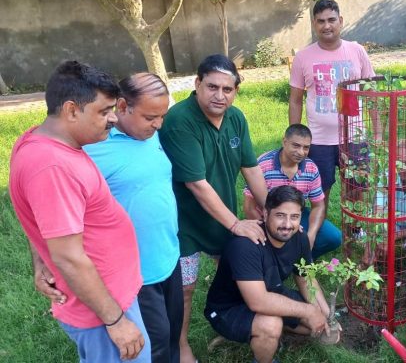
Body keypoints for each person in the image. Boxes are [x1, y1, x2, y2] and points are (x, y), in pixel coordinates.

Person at [8, 61, 149, 362]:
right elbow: (69, 256)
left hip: (108, 297)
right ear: (71, 110)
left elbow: (38, 218)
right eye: (104, 111)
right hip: (101, 312)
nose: (113, 119)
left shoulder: (45, 141)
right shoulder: (52, 166)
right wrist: (116, 321)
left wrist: (40, 261)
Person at [159, 54, 268, 363]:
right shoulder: (180, 121)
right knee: (186, 288)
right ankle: (180, 346)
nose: (220, 96)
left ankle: (232, 323)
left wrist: (271, 210)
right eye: (212, 87)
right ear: (197, 84)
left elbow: (251, 168)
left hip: (223, 216)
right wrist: (236, 225)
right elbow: (197, 184)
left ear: (235, 91)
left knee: (236, 273)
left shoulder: (236, 118)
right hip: (186, 225)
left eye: (228, 89)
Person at [84, 73, 183, 363]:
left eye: (163, 116)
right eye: (151, 116)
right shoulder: (92, 148)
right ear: (123, 106)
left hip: (168, 255)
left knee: (172, 334)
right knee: (154, 345)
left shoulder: (151, 135)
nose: (159, 124)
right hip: (134, 272)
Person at [205, 186, 331, 363]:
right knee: (271, 325)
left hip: (272, 292)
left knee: (315, 326)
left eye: (294, 217)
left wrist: (325, 315)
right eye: (280, 215)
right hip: (229, 308)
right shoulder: (245, 245)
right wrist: (309, 311)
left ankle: (277, 328)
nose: (287, 225)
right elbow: (258, 301)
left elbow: (306, 280)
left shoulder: (299, 238)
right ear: (265, 214)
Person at [288, 0, 376, 207]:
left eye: (331, 20)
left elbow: (371, 93)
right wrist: (294, 135)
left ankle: (357, 235)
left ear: (341, 21)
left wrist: (378, 133)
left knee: (358, 190)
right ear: (313, 24)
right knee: (319, 195)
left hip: (355, 137)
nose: (326, 26)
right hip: (318, 141)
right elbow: (295, 100)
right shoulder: (302, 57)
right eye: (320, 21)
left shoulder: (357, 51)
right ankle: (319, 235)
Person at [243, 124, 341, 259]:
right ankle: (278, 256)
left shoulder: (311, 168)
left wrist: (310, 236)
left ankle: (300, 258)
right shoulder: (263, 165)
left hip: (296, 215)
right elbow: (249, 207)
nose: (301, 152)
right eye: (296, 145)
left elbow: (318, 206)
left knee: (334, 237)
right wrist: (269, 230)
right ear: (284, 142)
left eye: (306, 147)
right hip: (266, 218)